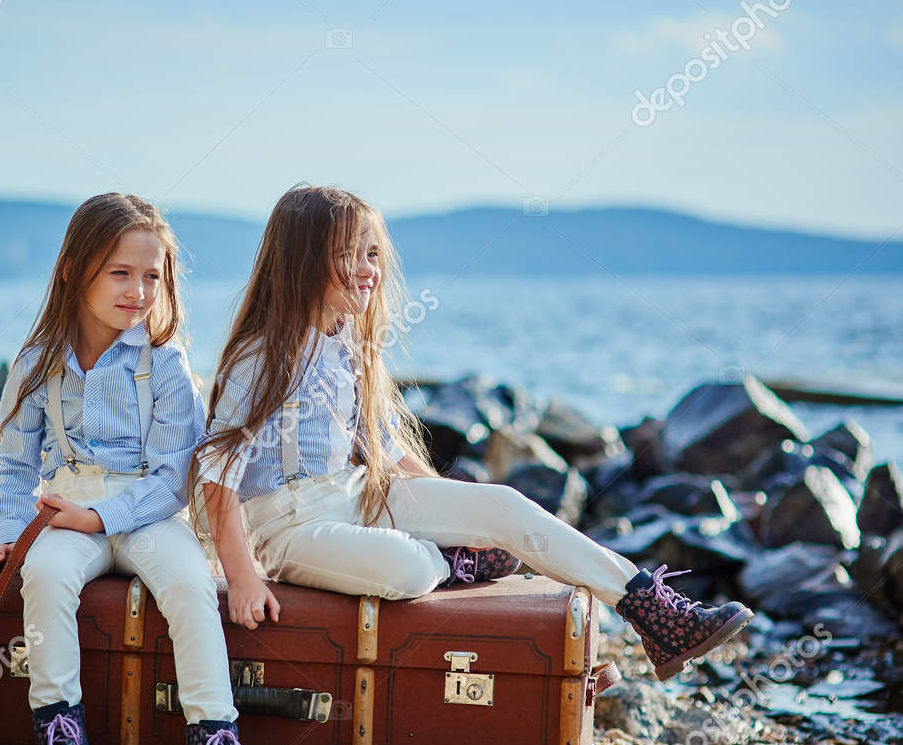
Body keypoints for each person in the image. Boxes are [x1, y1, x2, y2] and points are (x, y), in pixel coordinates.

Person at [195, 184, 753, 681]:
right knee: (407, 569)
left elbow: (386, 448)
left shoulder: (348, 346)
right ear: (299, 262)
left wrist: (457, 511)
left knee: (503, 505)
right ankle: (454, 564)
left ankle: (652, 612)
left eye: (371, 253)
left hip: (356, 493)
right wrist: (242, 575)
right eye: (346, 254)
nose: (367, 268)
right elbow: (217, 474)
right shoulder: (261, 356)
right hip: (288, 524)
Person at [0, 193, 258, 745]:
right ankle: (60, 739)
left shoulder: (165, 362)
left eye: (152, 276)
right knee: (46, 575)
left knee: (189, 584)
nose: (138, 291)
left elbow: (175, 478)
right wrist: (9, 534)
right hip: (64, 510)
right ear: (75, 271)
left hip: (151, 511)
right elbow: (16, 466)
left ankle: (215, 744)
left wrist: (103, 517)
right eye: (120, 273)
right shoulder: (37, 363)